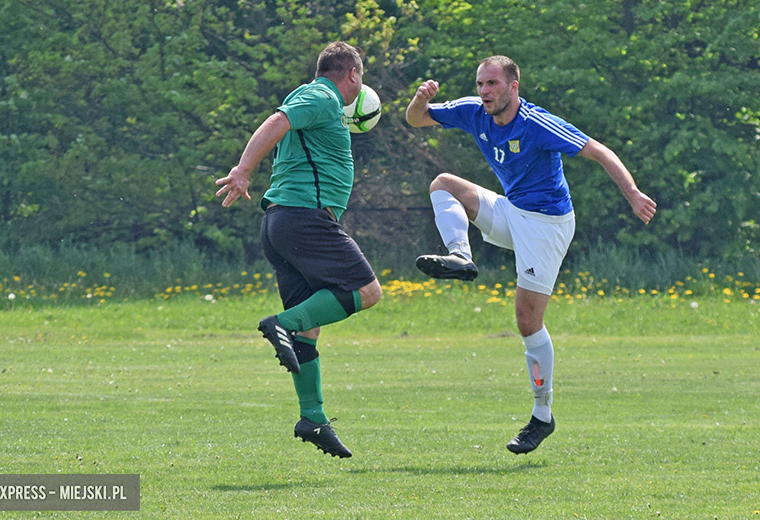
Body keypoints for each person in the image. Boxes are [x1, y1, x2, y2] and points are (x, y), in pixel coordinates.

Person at [406, 55, 656, 454]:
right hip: (512, 210)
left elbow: (600, 151)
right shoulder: (474, 112)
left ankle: (542, 416)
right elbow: (416, 120)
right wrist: (421, 99)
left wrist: (633, 194)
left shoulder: (537, 123)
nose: (485, 91)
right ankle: (460, 256)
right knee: (443, 184)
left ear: (513, 87)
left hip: (547, 225)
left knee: (526, 321)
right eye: (481, 84)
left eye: (492, 84)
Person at [216, 42, 382, 459]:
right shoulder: (323, 96)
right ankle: (282, 324)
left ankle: (313, 418)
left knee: (309, 329)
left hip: (283, 224)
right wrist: (243, 170)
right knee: (367, 292)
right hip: (304, 219)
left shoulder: (320, 101)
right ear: (354, 76)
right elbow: (277, 121)